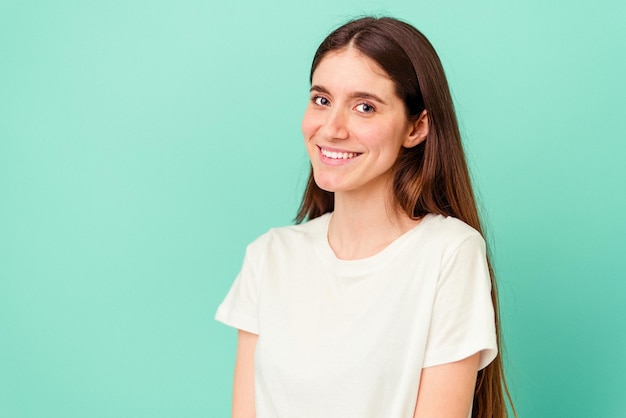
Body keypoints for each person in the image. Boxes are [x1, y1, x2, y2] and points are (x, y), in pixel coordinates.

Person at [216, 16, 514, 418]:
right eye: (321, 100)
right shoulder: (269, 256)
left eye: (364, 107)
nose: (332, 128)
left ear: (417, 127)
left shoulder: (448, 253)